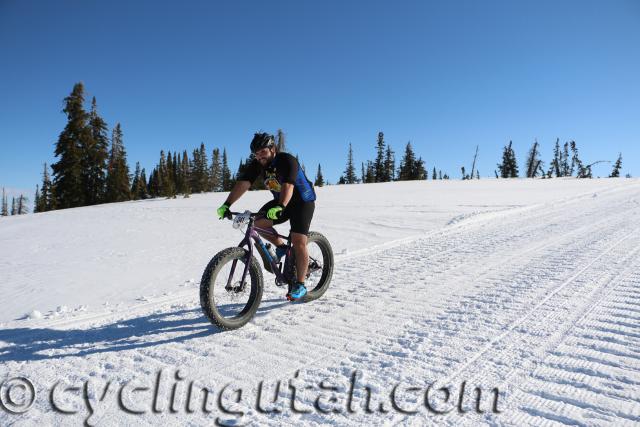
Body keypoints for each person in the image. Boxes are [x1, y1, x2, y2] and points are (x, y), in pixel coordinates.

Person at [216, 132, 316, 300]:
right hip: (281, 201)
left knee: (299, 241)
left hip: (302, 202)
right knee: (257, 223)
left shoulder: (287, 161)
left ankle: (300, 284)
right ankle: (283, 248)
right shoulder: (257, 164)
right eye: (255, 153)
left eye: (262, 152)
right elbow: (243, 184)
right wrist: (227, 204)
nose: (259, 157)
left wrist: (281, 206)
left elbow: (289, 185)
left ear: (272, 149)